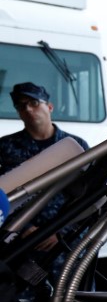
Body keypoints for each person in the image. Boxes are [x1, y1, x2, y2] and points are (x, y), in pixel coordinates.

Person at [0, 82, 90, 287]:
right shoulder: (5, 147)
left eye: (34, 103)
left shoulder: (75, 146)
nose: (28, 109)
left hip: (64, 246)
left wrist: (62, 230)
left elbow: (91, 196)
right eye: (21, 106)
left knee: (66, 300)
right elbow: (2, 195)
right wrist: (24, 227)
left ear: (49, 106)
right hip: (19, 245)